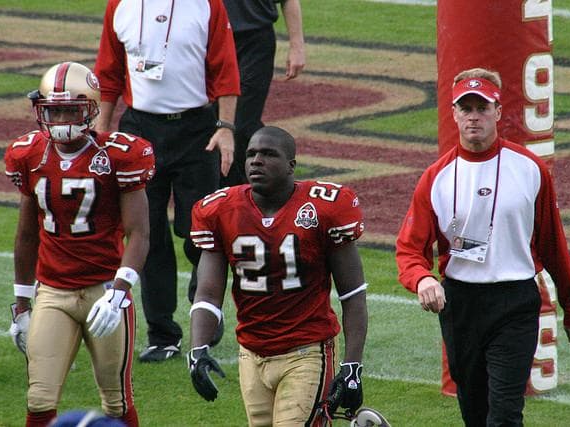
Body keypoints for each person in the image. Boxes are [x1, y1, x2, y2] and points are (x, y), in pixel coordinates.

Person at [396, 68, 570, 426]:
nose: (474, 117)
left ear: (498, 112)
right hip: (460, 305)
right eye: (466, 108)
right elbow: (409, 249)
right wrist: (422, 279)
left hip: (514, 302)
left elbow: (553, 245)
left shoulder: (530, 169)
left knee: (503, 414)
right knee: (475, 413)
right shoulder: (436, 177)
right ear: (454, 114)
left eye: (482, 108)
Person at [187, 126, 368, 426]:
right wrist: (198, 349)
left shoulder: (324, 208)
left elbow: (353, 294)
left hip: (306, 352)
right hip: (251, 353)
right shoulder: (221, 210)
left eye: (268, 154)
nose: (256, 161)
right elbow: (207, 294)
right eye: (251, 154)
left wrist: (352, 366)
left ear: (290, 166)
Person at [5, 62, 153, 427]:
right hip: (53, 292)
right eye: (53, 111)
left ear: (91, 108)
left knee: (116, 400)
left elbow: (139, 233)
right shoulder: (29, 154)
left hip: (104, 290)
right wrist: (21, 303)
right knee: (39, 398)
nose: (60, 119)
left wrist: (119, 292)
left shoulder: (119, 155)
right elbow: (26, 234)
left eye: (70, 109)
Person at [94, 0, 240, 362]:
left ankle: (205, 304)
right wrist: (101, 131)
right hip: (140, 128)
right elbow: (109, 72)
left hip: (196, 127)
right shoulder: (120, 5)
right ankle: (161, 333)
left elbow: (225, 67)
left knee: (200, 230)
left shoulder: (207, 5)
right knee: (147, 232)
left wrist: (225, 127)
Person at [220, 0, 305, 188]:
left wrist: (297, 45)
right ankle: (229, 190)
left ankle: (246, 189)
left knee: (242, 123)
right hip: (210, 39)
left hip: (255, 40)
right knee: (210, 122)